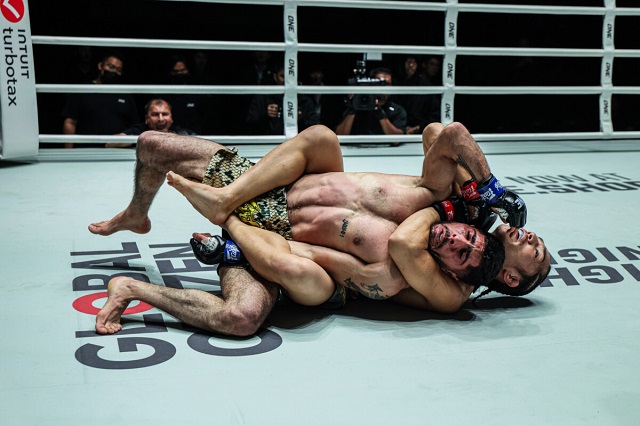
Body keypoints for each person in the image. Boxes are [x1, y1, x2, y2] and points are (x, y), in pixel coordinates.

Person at [89, 123, 546, 336]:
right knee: (150, 144)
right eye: (537, 238)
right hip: (272, 185)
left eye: (536, 251)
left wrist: (451, 208)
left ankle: (134, 287)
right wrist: (488, 189)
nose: (531, 237)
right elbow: (442, 134)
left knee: (241, 318)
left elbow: (405, 243)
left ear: (509, 277)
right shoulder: (470, 210)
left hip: (280, 244)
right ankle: (138, 213)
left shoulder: (452, 279)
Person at [61, 52, 139, 148]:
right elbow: (70, 122)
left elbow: (135, 126)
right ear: (100, 66)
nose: (114, 71)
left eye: (118, 70)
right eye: (111, 67)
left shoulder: (125, 95)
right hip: (87, 150)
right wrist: (69, 152)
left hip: (118, 151)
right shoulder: (82, 90)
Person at [245, 63, 319, 135]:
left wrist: (300, 119)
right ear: (275, 77)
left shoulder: (305, 101)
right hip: (268, 141)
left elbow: (316, 129)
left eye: (290, 77)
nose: (287, 81)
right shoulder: (262, 98)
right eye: (283, 76)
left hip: (296, 142)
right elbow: (249, 125)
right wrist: (265, 115)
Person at [335, 67, 407, 138]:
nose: (384, 87)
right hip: (358, 144)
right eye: (380, 83)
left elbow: (397, 140)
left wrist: (381, 115)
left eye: (387, 84)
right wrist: (352, 110)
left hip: (384, 145)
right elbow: (340, 136)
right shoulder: (357, 105)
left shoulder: (397, 110)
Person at [106, 98, 197, 148]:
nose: (161, 119)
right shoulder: (140, 130)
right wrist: (143, 139)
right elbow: (109, 143)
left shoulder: (178, 131)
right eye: (155, 114)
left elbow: (199, 141)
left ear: (171, 118)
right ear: (147, 119)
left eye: (165, 114)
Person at [396, 55, 439, 135]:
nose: (411, 65)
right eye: (408, 62)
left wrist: (417, 128)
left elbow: (434, 115)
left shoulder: (426, 87)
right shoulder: (397, 84)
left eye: (414, 62)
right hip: (398, 131)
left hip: (420, 133)